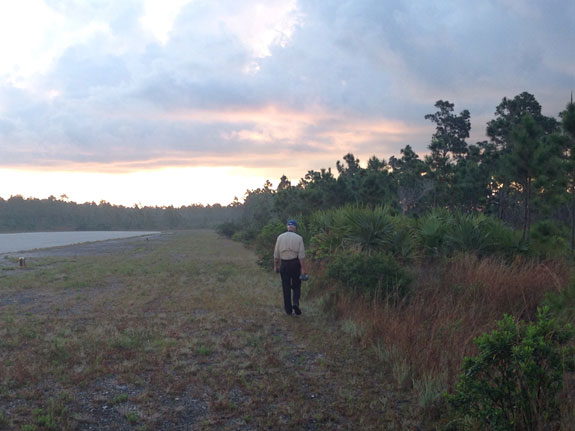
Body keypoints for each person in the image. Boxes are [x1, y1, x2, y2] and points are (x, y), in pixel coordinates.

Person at [274, 219, 307, 315]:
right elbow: (301, 256)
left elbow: (276, 255)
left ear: (287, 227)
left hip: (284, 264)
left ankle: (288, 310)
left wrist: (276, 266)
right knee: (297, 285)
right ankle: (296, 303)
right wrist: (303, 269)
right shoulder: (299, 238)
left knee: (286, 287)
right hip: (295, 264)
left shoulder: (280, 237)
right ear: (295, 228)